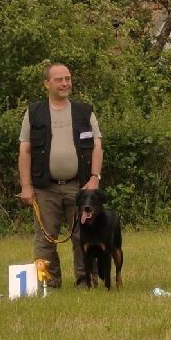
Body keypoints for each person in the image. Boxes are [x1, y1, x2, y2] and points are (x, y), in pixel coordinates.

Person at [18, 63, 103, 288]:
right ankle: (48, 284)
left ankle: (86, 281)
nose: (65, 83)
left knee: (83, 236)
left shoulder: (84, 112)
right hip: (45, 188)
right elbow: (25, 150)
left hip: (80, 187)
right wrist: (26, 186)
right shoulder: (34, 113)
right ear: (46, 84)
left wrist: (94, 178)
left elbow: (97, 146)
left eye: (68, 78)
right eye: (59, 79)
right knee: (45, 240)